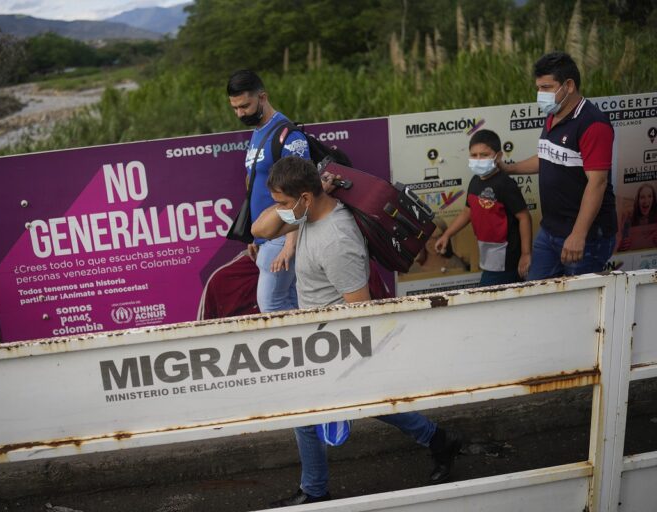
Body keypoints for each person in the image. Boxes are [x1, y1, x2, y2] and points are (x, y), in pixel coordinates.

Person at [252, 156, 461, 507]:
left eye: (284, 204)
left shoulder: (336, 240)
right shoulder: (305, 215)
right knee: (369, 405)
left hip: (335, 343)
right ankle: (440, 440)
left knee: (305, 412)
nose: (280, 211)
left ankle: (315, 491)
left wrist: (347, 362)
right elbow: (260, 229)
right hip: (316, 337)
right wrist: (289, 207)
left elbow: (359, 309)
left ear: (305, 198)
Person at [496, 52, 617, 280]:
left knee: (577, 306)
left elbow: (598, 182)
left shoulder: (593, 124)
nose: (540, 94)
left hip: (584, 237)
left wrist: (578, 234)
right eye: (538, 88)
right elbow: (546, 157)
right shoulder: (554, 115)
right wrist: (508, 168)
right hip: (550, 231)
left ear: (568, 86)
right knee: (537, 295)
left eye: (546, 87)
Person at [227, 69, 310, 314]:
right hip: (268, 236)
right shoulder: (258, 133)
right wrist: (256, 236)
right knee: (292, 304)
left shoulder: (288, 135)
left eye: (245, 106)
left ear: (262, 97)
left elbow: (300, 191)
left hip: (284, 235)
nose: (240, 113)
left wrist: (290, 244)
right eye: (235, 108)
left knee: (272, 305)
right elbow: (253, 184)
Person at [436, 129, 532, 286]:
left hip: (506, 258)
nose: (478, 159)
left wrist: (526, 254)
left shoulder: (505, 184)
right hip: (487, 254)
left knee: (488, 298)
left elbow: (524, 217)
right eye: (474, 155)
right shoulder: (474, 181)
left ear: (498, 156)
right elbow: (468, 212)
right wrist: (447, 235)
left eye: (484, 155)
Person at [617, 183, 657, 251]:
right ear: (637, 200)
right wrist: (621, 245)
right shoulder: (628, 218)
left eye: (650, 196)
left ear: (653, 199)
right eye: (642, 197)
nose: (646, 201)